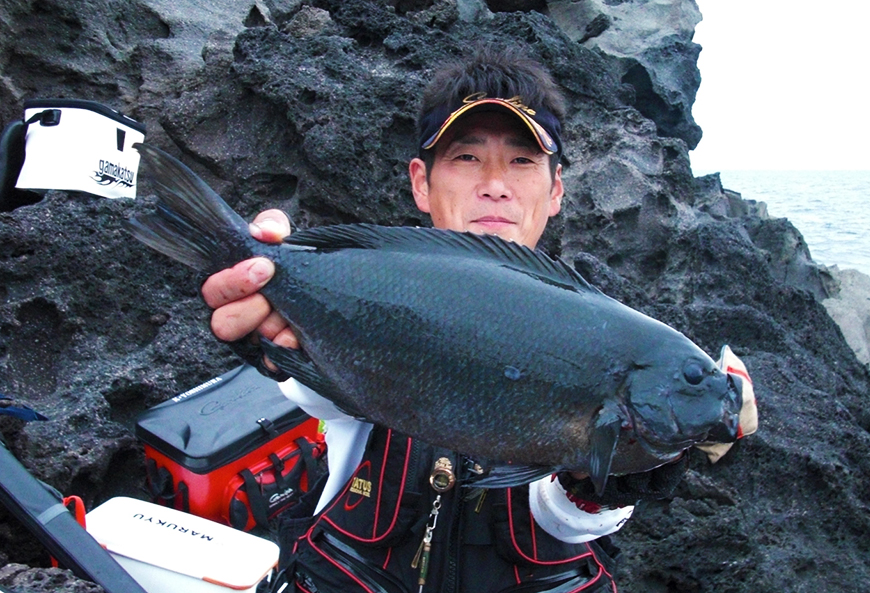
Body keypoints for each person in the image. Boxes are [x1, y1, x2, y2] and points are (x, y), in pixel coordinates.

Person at [203, 47, 690, 593]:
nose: (496, 185)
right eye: (466, 158)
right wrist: (272, 336)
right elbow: (320, 398)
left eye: (523, 161)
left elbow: (565, 522)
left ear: (555, 190)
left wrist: (615, 476)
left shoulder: (609, 332)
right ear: (420, 182)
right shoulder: (381, 282)